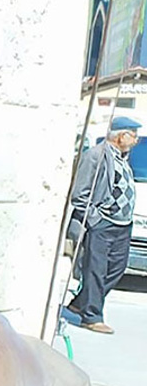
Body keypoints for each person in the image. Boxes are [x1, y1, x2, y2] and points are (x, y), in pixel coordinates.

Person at [63, 116, 141, 334]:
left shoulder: (122, 158)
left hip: (122, 225)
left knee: (117, 268)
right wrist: (95, 220)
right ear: (121, 136)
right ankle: (92, 316)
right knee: (96, 269)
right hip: (103, 224)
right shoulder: (96, 156)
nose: (135, 140)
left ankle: (81, 302)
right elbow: (80, 194)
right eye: (133, 135)